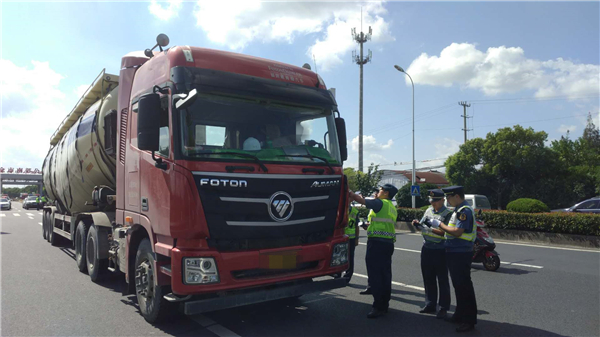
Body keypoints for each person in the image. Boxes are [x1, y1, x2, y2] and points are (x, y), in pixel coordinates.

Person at [349, 184, 398, 319]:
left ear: (386, 193)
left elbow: (361, 200)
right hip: (388, 243)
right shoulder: (391, 206)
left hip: (377, 243)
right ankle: (384, 304)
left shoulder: (380, 203)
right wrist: (368, 226)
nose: (378, 192)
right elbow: (383, 222)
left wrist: (350, 192)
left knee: (375, 274)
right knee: (385, 275)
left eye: (381, 190)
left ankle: (377, 306)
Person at [436, 186, 478, 333]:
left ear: (457, 196)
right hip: (454, 251)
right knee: (458, 286)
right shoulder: (458, 210)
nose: (447, 200)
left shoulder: (464, 211)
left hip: (461, 252)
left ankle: (469, 320)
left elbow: (458, 232)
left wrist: (440, 225)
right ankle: (460, 314)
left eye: (448, 197)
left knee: (464, 287)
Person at [412, 189, 452, 319]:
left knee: (442, 280)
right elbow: (423, 224)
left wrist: (427, 228)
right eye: (431, 200)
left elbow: (444, 232)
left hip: (440, 249)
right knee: (428, 277)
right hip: (427, 248)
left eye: (435, 200)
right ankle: (430, 304)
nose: (432, 203)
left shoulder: (447, 214)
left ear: (442, 200)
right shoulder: (428, 210)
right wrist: (417, 224)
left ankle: (443, 307)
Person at [343, 195, 360, 282]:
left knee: (350, 257)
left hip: (351, 238)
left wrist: (357, 238)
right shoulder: (340, 209)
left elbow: (357, 226)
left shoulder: (355, 211)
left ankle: (348, 276)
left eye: (350, 197)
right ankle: (337, 274)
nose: (347, 198)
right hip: (341, 237)